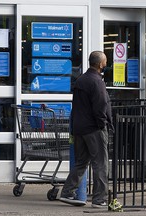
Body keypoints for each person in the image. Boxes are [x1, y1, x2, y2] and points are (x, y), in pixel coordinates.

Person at [60, 51, 113, 208]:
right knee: (101, 164)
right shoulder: (97, 81)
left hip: (79, 127)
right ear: (99, 64)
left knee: (81, 162)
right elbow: (101, 104)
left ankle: (67, 192)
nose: (106, 63)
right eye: (105, 61)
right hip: (93, 128)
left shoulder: (81, 79)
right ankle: (99, 199)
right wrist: (102, 123)